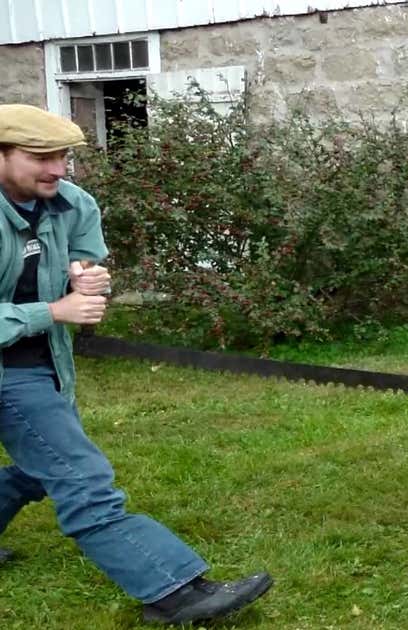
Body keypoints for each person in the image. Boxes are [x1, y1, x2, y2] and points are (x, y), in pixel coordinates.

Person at [0, 104, 273, 625]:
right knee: (80, 477)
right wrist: (53, 311)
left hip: (41, 362)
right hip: (13, 370)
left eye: (63, 156)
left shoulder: (70, 202)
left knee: (44, 468)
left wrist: (86, 276)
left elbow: (83, 254)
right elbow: (52, 306)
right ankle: (174, 592)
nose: (57, 168)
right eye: (41, 157)